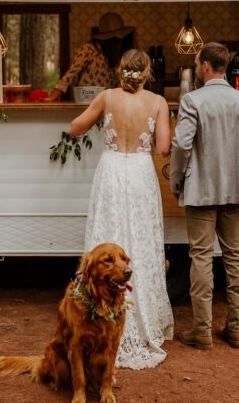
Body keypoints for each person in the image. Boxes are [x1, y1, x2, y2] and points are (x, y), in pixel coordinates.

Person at [68, 49, 174, 369]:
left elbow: (75, 128)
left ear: (119, 69)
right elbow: (164, 148)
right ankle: (143, 320)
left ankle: (96, 313)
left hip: (112, 171)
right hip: (141, 172)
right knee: (140, 239)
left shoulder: (107, 97)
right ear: (147, 74)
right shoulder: (157, 103)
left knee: (108, 233)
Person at [169, 42, 239, 351]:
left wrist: (177, 180)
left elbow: (181, 145)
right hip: (235, 192)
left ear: (204, 67)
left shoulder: (193, 101)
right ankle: (236, 329)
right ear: (224, 67)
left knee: (201, 256)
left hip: (200, 191)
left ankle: (202, 331)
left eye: (197, 63)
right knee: (234, 255)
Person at [46, 12, 133, 102]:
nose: (120, 42)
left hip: (106, 103)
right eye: (118, 39)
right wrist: (53, 95)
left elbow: (117, 83)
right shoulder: (88, 49)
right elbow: (71, 73)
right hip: (88, 103)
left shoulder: (113, 56)